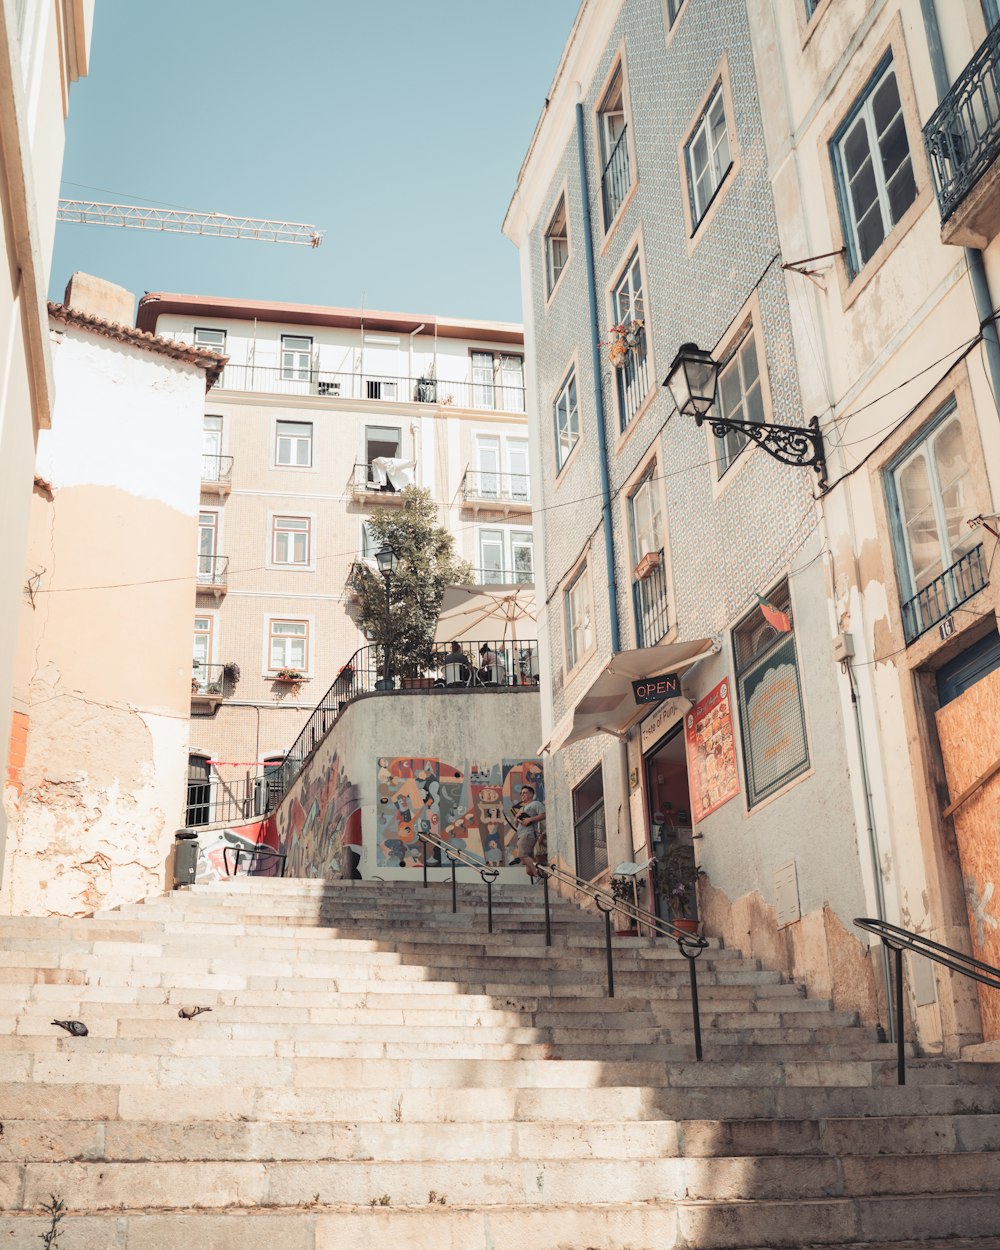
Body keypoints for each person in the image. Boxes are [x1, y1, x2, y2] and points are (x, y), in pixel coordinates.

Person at [513, 783, 545, 881]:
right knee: (528, 871)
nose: (522, 795)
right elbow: (516, 825)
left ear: (531, 794)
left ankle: (539, 877)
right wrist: (517, 817)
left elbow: (543, 815)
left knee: (522, 855)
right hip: (521, 835)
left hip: (529, 833)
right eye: (521, 793)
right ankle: (542, 876)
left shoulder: (536, 804)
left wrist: (530, 819)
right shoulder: (521, 808)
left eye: (525, 793)